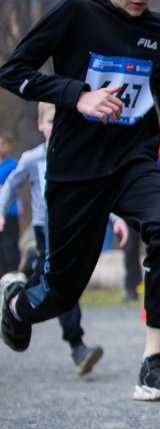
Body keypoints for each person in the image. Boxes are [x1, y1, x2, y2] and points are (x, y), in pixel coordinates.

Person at [0, 0, 160, 401]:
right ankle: (16, 305)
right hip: (76, 168)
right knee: (59, 294)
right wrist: (76, 97)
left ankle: (154, 365)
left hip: (133, 159)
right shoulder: (74, 13)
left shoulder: (159, 31)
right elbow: (13, 71)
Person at [0, 102, 106, 374]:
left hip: (71, 230)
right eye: (50, 122)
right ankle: (77, 345)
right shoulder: (32, 158)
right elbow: (11, 185)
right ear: (40, 125)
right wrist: (1, 211)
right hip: (44, 229)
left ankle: (16, 288)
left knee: (53, 279)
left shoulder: (77, 158)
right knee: (62, 285)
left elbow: (96, 194)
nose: (57, 129)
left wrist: (116, 220)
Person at [0, 132, 19, 273]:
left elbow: (15, 186)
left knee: (9, 244)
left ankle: (12, 273)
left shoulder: (13, 165)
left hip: (9, 211)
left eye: (4, 144)